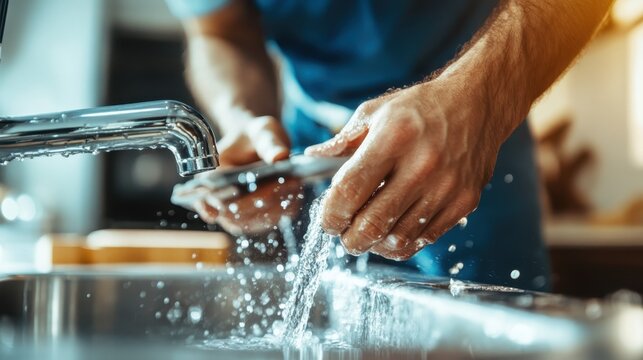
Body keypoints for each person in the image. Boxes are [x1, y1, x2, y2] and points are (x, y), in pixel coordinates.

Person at [167, 0, 613, 291]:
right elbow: (219, 31)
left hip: (477, 123)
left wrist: (479, 101)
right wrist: (244, 117)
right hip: (314, 146)